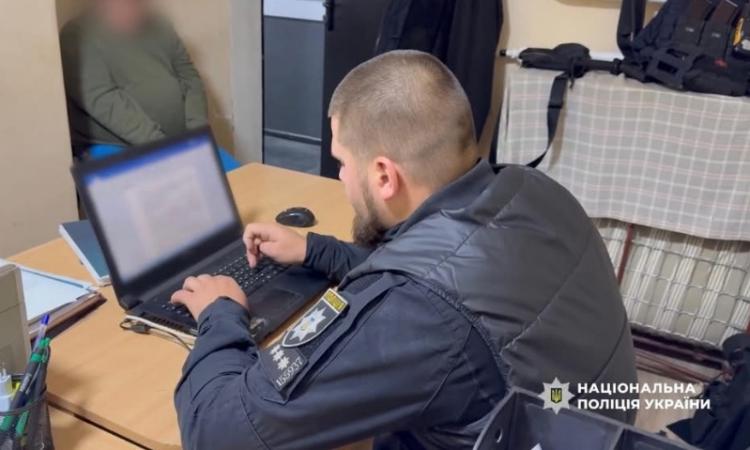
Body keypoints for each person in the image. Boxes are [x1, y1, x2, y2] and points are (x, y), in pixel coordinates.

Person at [170, 50, 638, 449]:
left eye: (342, 162)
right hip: (595, 425)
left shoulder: (419, 313)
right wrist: (315, 250)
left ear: (383, 175)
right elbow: (449, 273)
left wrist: (220, 312)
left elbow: (218, 431)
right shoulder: (531, 190)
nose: (341, 178)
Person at [59, 0, 208, 158]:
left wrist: (197, 133)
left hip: (180, 142)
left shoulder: (160, 25)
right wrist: (163, 148)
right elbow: (103, 100)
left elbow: (189, 76)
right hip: (118, 149)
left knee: (223, 169)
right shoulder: (76, 35)